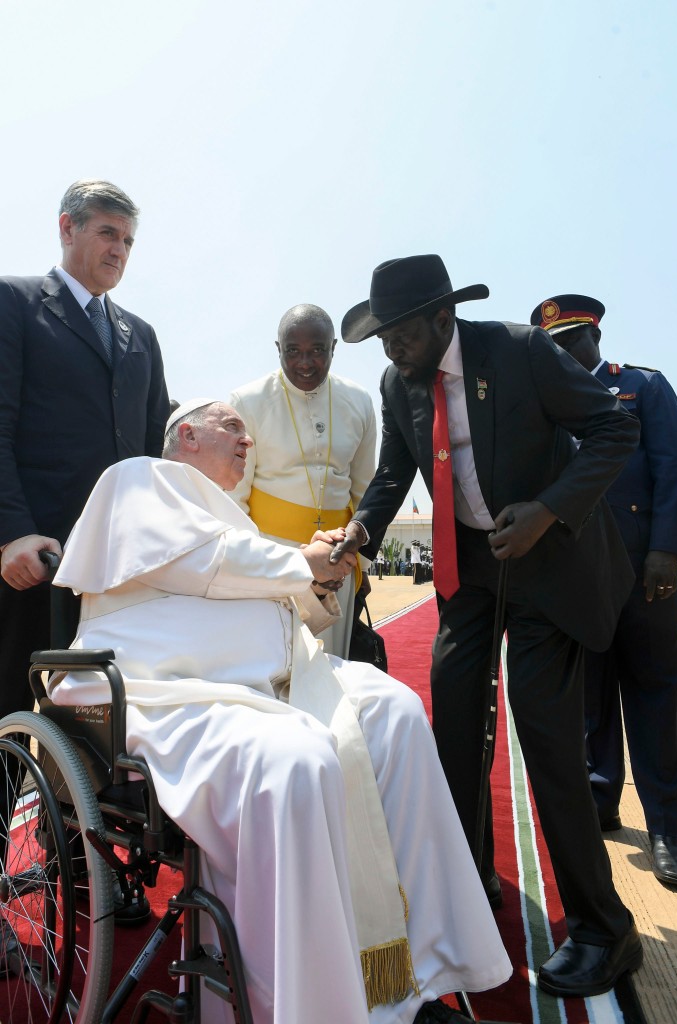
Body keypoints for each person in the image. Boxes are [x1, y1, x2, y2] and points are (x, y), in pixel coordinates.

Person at [48, 398, 511, 1024]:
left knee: (397, 714)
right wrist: (301, 562)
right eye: (232, 428)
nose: (248, 442)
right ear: (185, 435)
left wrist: (314, 578)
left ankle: (415, 975)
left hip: (272, 678)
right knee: (295, 761)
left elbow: (274, 600)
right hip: (174, 688)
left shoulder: (230, 517)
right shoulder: (140, 479)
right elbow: (206, 565)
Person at [331, 255, 643, 998]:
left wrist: (547, 512)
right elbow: (392, 475)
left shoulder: (518, 351)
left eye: (399, 333)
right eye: (380, 338)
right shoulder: (396, 382)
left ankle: (605, 929)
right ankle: (468, 882)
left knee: (543, 735)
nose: (389, 350)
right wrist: (360, 532)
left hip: (548, 567)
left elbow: (611, 430)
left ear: (442, 319)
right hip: (468, 576)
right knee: (450, 719)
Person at [0, 178, 169, 922]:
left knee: (99, 731)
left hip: (116, 575)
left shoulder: (140, 334)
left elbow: (157, 451)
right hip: (30, 562)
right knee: (9, 724)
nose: (118, 252)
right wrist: (8, 531)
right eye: (106, 234)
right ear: (66, 228)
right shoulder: (14, 303)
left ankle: (89, 878)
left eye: (128, 241)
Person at [530, 293, 677, 887]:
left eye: (572, 341)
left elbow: (673, 469)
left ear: (594, 336)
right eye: (554, 347)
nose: (566, 354)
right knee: (589, 697)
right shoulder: (547, 408)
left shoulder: (643, 388)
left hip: (645, 574)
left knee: (656, 695)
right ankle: (602, 799)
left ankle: (669, 825)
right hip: (580, 576)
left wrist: (666, 551)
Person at [228, 304, 376, 657]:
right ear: (278, 349)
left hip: (337, 562)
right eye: (293, 351)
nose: (305, 363)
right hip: (272, 559)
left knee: (331, 672)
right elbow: (234, 497)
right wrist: (249, 568)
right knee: (272, 671)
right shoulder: (246, 401)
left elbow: (366, 490)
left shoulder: (359, 401)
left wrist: (359, 565)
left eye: (317, 351)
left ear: (333, 348)